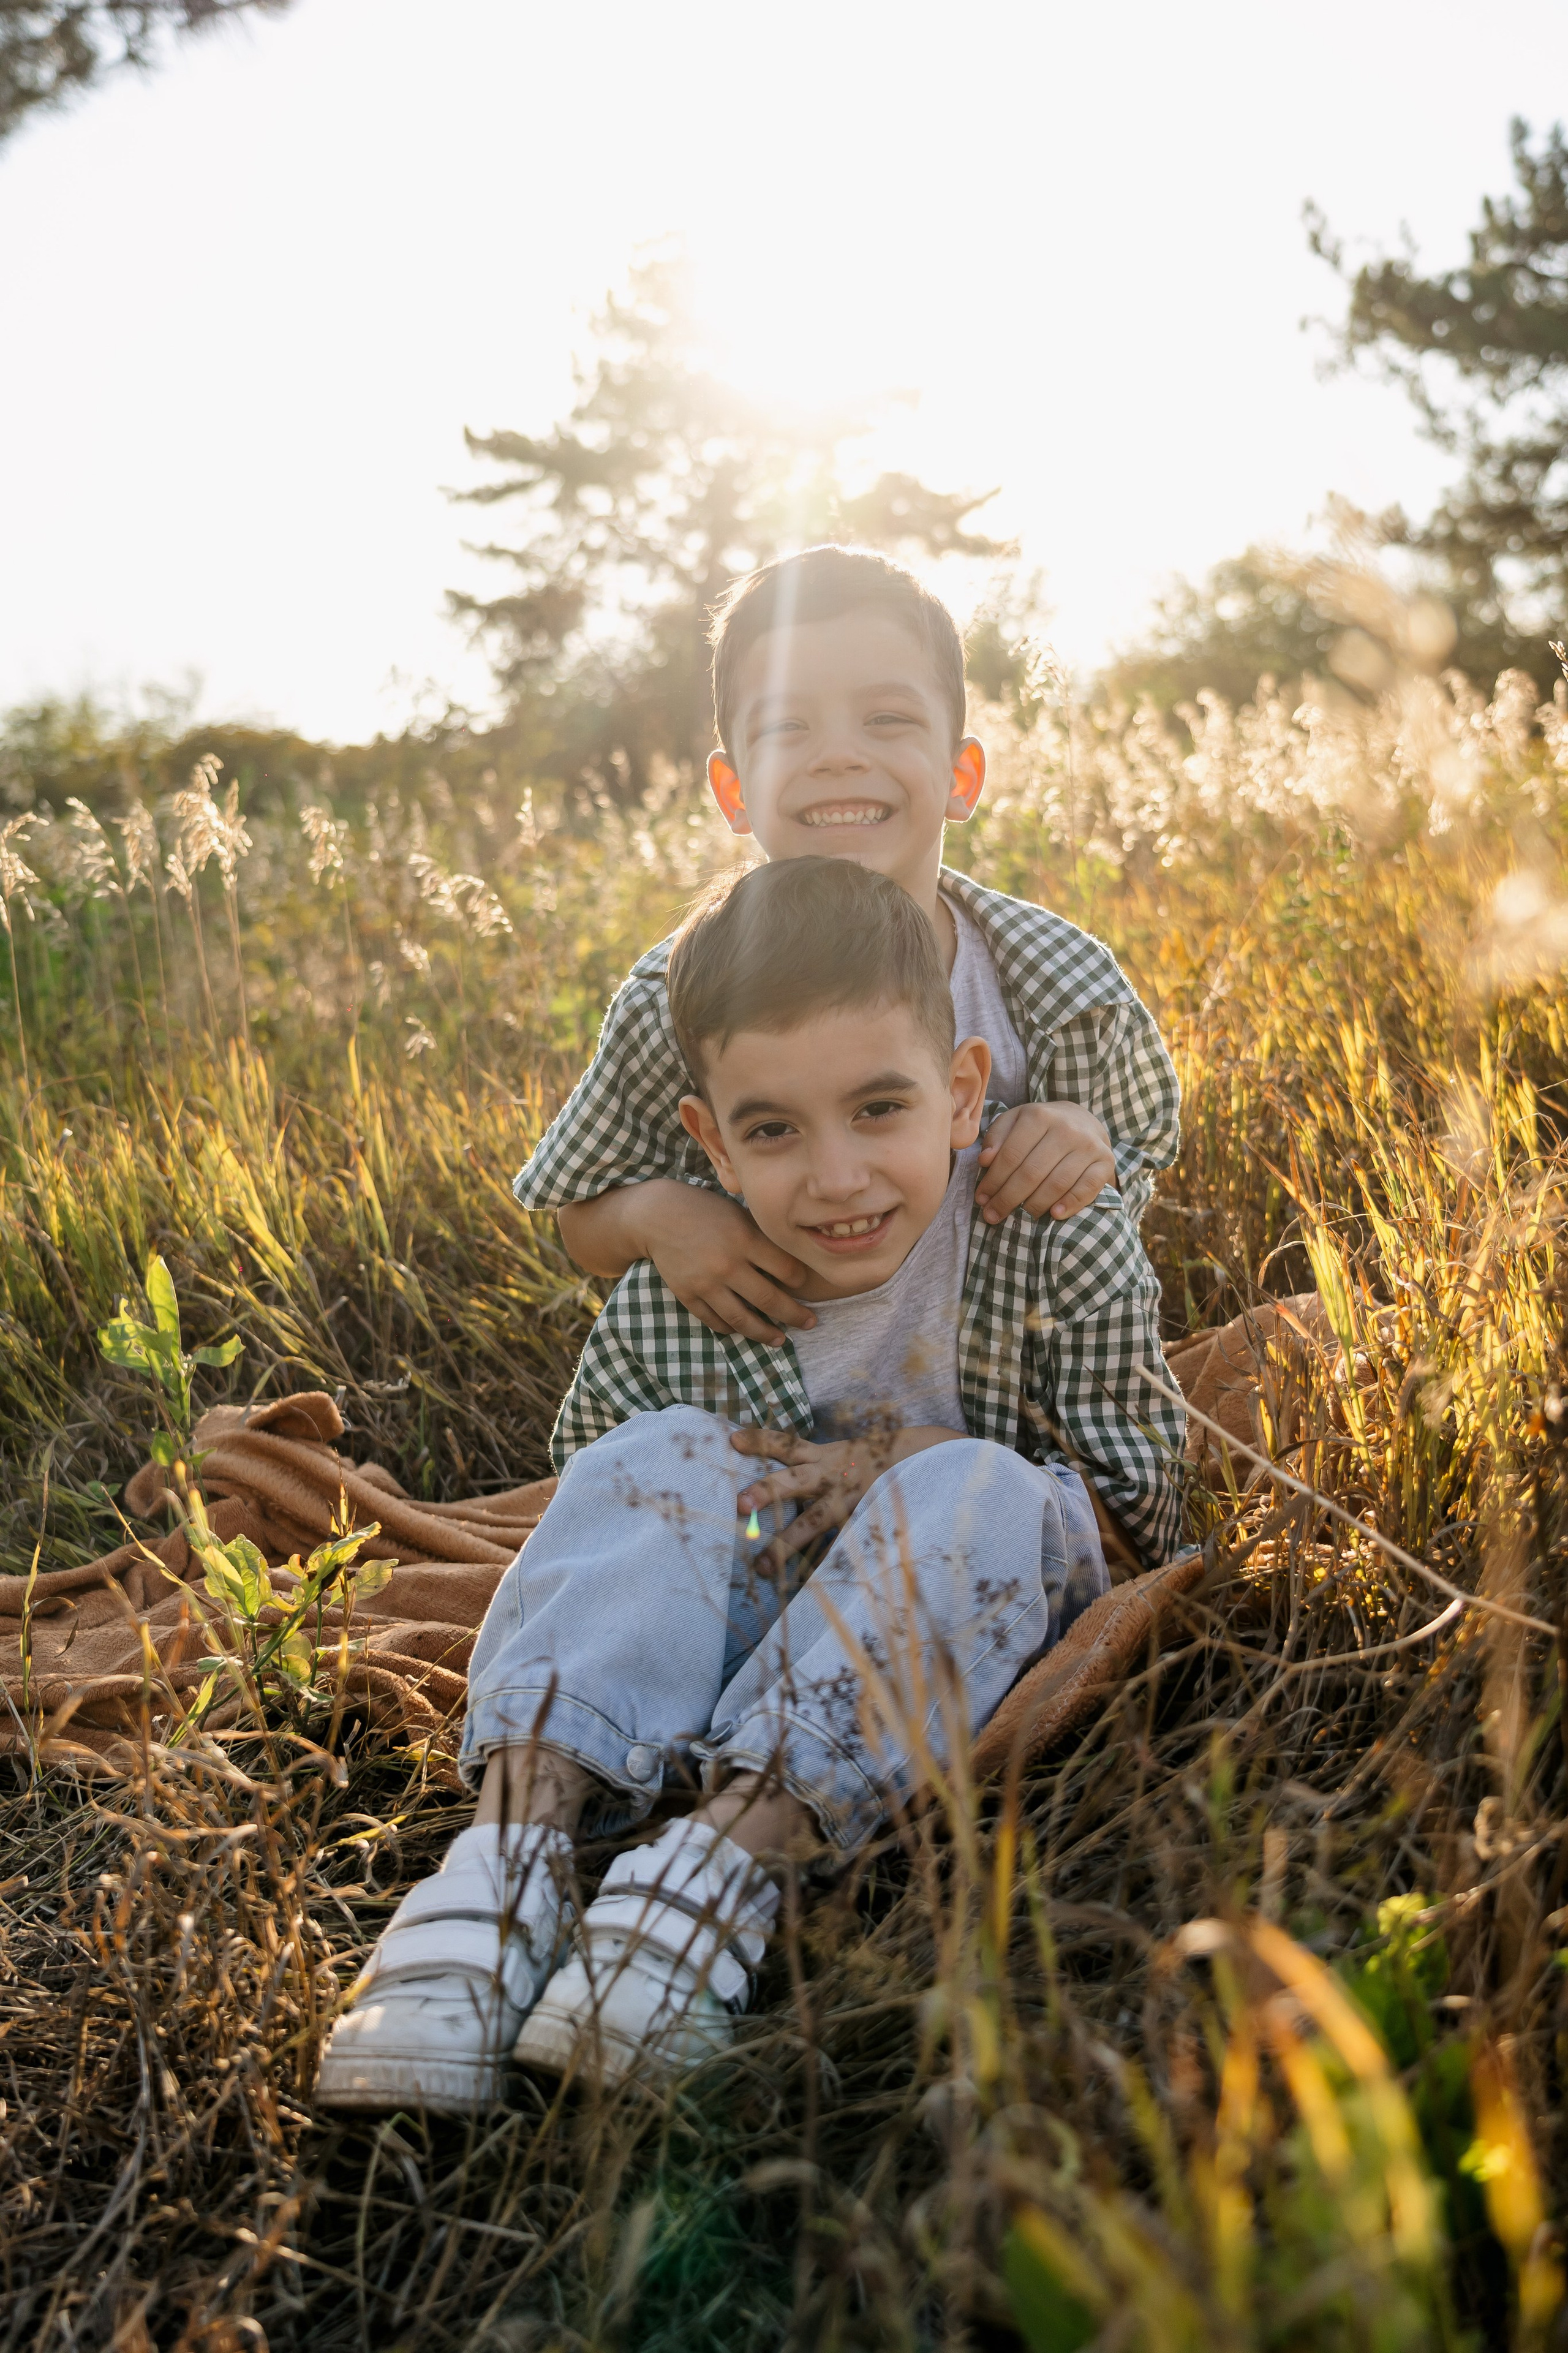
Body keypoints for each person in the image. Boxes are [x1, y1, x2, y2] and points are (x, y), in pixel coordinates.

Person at [315, 859, 1186, 2114]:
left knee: (980, 1486)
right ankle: (505, 1865)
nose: (836, 1177)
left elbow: (1135, 1510)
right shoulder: (688, 1289)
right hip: (741, 1623)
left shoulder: (1058, 1236)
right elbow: (603, 1531)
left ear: (960, 1092)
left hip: (942, 1604)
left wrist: (900, 1462)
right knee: (650, 1451)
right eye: (774, 1130)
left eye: (878, 1109)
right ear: (711, 1141)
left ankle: (708, 1880)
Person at [518, 543, 1181, 1357]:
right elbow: (581, 1217)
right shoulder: (673, 998)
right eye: (786, 727)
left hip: (1007, 1396)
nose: (837, 755)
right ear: (733, 791)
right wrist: (653, 1218)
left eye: (887, 719)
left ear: (961, 776)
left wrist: (1085, 1141)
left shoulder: (1062, 987)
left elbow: (1130, 1185)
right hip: (757, 1400)